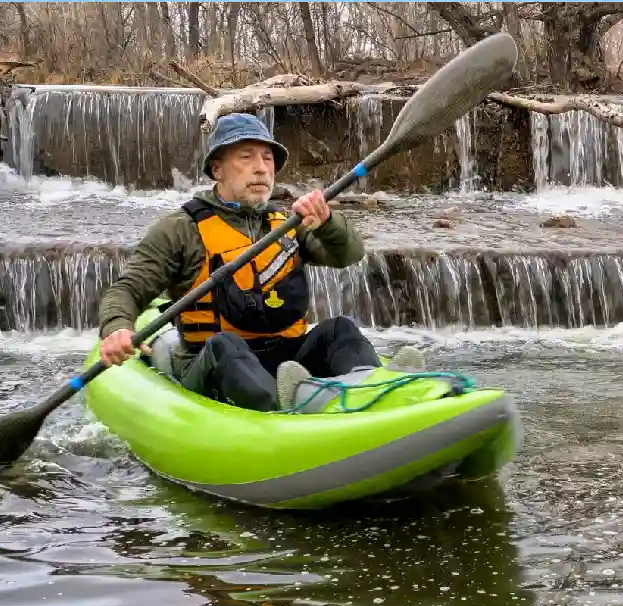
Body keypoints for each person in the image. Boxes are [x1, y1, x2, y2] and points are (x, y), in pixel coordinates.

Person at [96, 112, 424, 412]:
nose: (261, 168)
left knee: (339, 329)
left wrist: (327, 223)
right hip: (213, 365)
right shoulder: (181, 228)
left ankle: (378, 390)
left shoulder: (288, 222)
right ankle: (293, 403)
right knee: (225, 346)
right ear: (217, 169)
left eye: (267, 159)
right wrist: (117, 328)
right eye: (246, 157)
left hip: (288, 357)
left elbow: (348, 255)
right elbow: (127, 290)